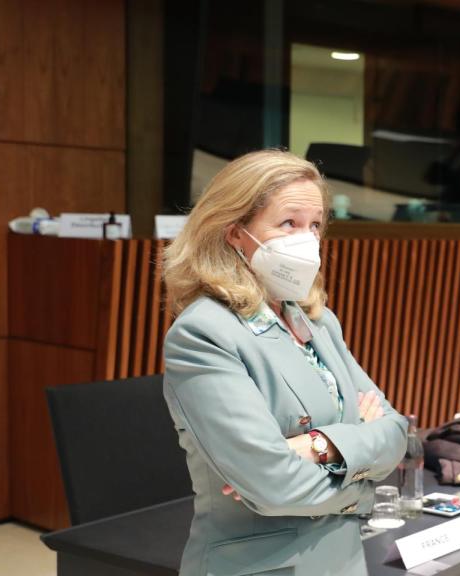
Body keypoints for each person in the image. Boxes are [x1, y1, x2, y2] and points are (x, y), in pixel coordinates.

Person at [162, 150, 408, 576]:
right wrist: (364, 479)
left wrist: (320, 445)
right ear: (234, 232)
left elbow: (395, 431)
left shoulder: (316, 319)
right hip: (263, 566)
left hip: (343, 560)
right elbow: (272, 485)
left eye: (315, 225)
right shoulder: (204, 332)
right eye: (289, 223)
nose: (307, 239)